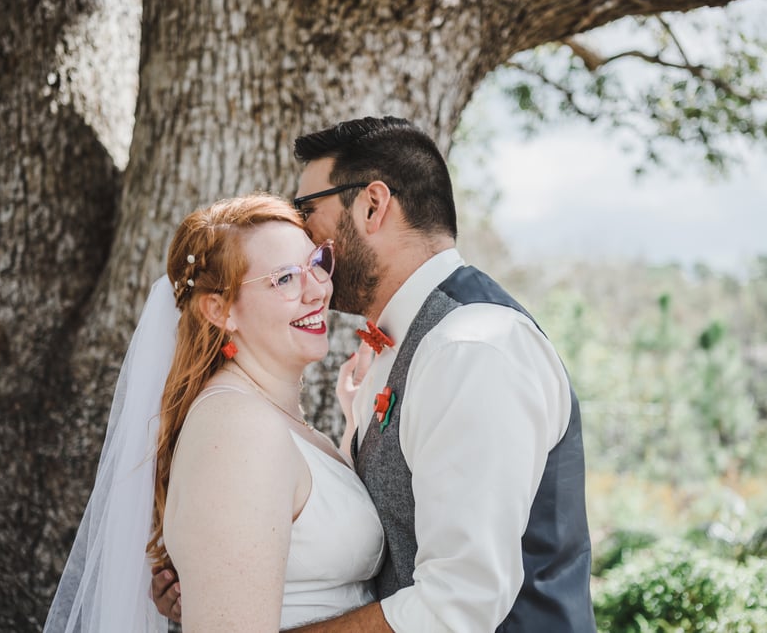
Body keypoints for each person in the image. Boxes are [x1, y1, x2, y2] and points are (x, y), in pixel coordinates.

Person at [154, 117, 596, 631]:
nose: (302, 230)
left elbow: (460, 602)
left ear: (371, 205)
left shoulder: (470, 346)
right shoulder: (401, 348)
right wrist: (221, 587)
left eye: (307, 209)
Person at [45, 194, 384, 632]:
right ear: (220, 310)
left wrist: (354, 423)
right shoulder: (238, 432)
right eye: (284, 279)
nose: (317, 289)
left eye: (317, 262)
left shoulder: (267, 418)